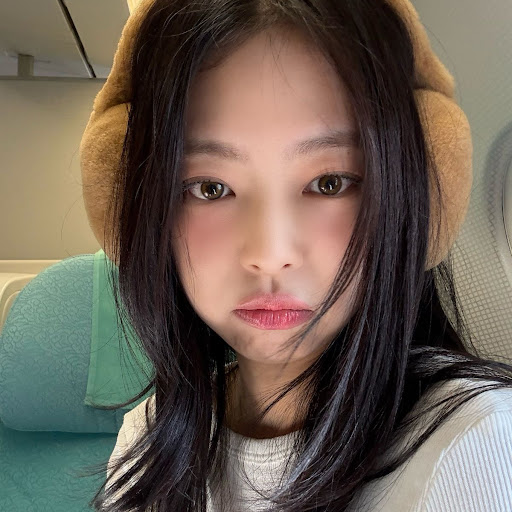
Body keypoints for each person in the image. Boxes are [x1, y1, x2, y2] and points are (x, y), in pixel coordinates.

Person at [78, 0, 512, 510]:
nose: (270, 255)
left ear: (409, 196)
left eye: (329, 183)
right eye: (210, 188)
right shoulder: (148, 434)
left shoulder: (480, 444)